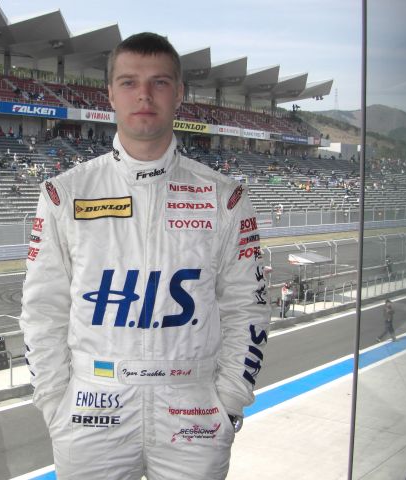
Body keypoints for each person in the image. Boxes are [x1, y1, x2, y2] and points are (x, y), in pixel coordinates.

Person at [19, 32, 269, 480]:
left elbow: (247, 308)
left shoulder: (225, 198)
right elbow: (42, 311)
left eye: (159, 82)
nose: (144, 95)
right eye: (130, 82)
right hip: (91, 407)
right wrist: (55, 406)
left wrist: (229, 405)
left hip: (193, 410)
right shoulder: (63, 194)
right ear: (110, 94)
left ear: (180, 95)